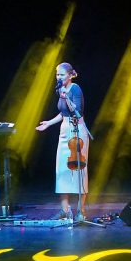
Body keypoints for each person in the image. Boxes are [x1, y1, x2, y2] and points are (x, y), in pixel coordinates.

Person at [36, 62, 91, 221]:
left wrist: (66, 97)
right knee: (61, 169)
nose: (58, 77)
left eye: (61, 75)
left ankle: (81, 211)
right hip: (64, 129)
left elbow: (77, 111)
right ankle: (65, 210)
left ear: (69, 75)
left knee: (79, 169)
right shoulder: (61, 89)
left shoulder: (75, 88)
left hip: (77, 129)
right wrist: (48, 123)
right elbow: (63, 113)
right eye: (57, 75)